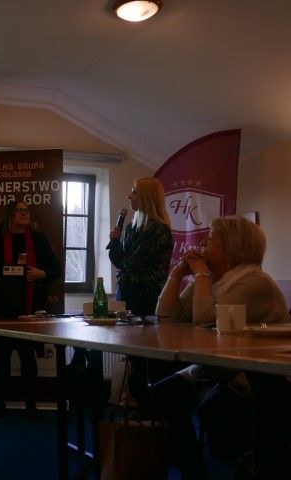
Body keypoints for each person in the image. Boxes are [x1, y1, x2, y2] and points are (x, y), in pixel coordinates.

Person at [152, 215, 290, 479]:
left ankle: (248, 463)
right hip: (219, 366)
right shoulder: (214, 279)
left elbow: (206, 319)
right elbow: (167, 316)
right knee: (165, 392)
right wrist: (177, 273)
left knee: (216, 409)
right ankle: (195, 471)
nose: (204, 242)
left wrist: (201, 273)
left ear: (231, 245)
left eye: (212, 237)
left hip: (256, 376)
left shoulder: (255, 281)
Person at [0, 200, 61, 419]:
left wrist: (41, 274)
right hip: (3, 308)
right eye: (20, 210)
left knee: (28, 356)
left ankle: (31, 405)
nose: (25, 213)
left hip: (31, 307)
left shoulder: (38, 238)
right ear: (10, 214)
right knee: (2, 356)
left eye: (27, 210)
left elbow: (56, 268)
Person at [106, 176, 174, 405]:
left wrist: (120, 254)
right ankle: (139, 406)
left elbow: (131, 264)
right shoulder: (132, 228)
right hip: (127, 295)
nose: (129, 196)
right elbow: (120, 261)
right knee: (133, 356)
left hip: (147, 299)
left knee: (146, 358)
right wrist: (115, 242)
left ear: (145, 196)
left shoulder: (159, 230)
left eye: (134, 192)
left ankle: (150, 408)